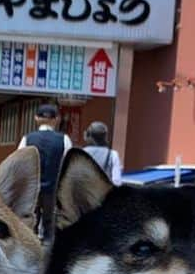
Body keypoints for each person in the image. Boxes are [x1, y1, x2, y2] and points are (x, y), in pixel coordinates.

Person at [18, 102, 72, 241]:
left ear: (36, 118)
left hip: (32, 188)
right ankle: (48, 250)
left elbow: (19, 162)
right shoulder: (64, 139)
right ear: (56, 119)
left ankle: (32, 248)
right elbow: (68, 165)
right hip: (54, 188)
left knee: (30, 223)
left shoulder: (28, 138)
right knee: (50, 224)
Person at [82, 122, 123, 186]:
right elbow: (117, 182)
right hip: (104, 193)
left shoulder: (81, 152)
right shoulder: (112, 155)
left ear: (89, 136)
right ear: (105, 137)